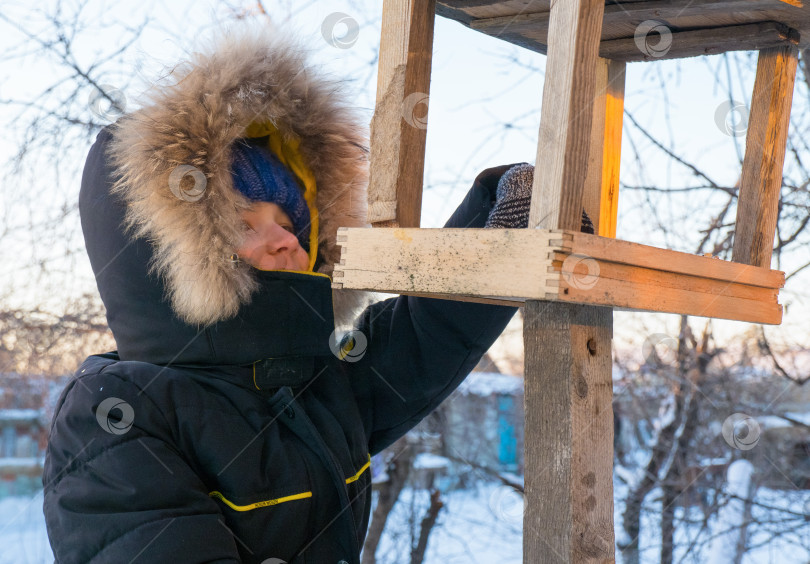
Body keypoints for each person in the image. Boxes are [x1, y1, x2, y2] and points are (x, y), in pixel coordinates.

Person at [42, 26, 589, 563]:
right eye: (242, 223)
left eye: (291, 220)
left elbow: (429, 336)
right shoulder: (115, 416)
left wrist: (502, 227)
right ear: (161, 252)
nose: (285, 240)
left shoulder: (315, 383)